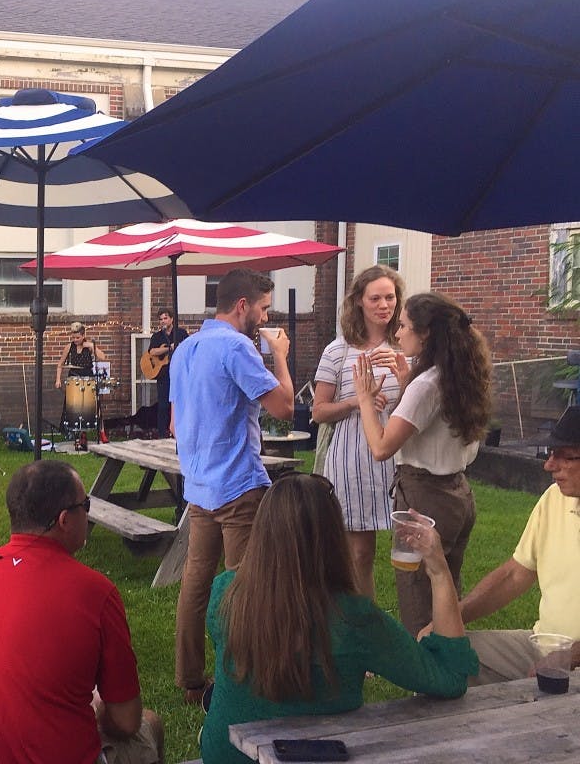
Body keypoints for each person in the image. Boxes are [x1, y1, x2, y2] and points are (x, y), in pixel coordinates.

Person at [200, 474, 477, 764]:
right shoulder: (354, 620)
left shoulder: (224, 593)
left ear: (261, 532)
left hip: (223, 755)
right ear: (333, 538)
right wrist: (439, 571)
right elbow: (450, 678)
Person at [0, 459, 164, 764]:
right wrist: (97, 709)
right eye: (85, 505)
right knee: (150, 724)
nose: (88, 513)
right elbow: (126, 721)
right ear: (64, 520)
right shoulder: (96, 592)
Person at [168, 268, 294, 704]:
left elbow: (175, 423)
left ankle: (189, 680)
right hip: (238, 484)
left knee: (196, 581)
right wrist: (279, 355)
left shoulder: (185, 348)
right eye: (263, 308)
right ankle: (241, 678)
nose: (266, 317)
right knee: (243, 586)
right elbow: (284, 407)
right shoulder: (237, 346)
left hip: (199, 485)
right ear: (243, 305)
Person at [354, 291, 492, 635]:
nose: (397, 333)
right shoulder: (459, 374)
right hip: (458, 495)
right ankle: (452, 661)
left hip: (425, 499)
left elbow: (381, 447)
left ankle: (427, 666)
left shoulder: (427, 385)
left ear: (426, 333)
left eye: (403, 326)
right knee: (445, 592)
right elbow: (436, 425)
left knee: (419, 604)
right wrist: (407, 383)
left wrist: (365, 400)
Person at [419, 407, 580, 683]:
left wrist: (571, 656)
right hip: (542, 644)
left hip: (573, 659)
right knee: (440, 651)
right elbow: (515, 574)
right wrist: (451, 617)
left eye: (564, 456)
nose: (549, 465)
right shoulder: (554, 498)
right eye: (550, 453)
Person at [312, 265, 405, 600]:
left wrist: (404, 376)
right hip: (353, 459)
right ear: (359, 302)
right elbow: (318, 411)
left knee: (409, 553)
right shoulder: (338, 350)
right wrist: (357, 401)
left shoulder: (406, 347)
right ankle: (363, 617)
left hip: (398, 456)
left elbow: (420, 404)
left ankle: (412, 618)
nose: (384, 305)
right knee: (359, 552)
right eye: (375, 298)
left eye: (390, 297)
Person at [146, 307, 188, 438]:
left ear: (172, 319)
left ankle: (179, 433)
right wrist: (169, 348)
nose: (163, 321)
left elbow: (187, 349)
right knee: (163, 405)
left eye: (165, 318)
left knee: (179, 404)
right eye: (161, 319)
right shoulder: (157, 336)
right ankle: (162, 435)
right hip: (163, 375)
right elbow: (152, 351)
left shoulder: (180, 333)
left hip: (178, 375)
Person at [55, 321, 107, 388]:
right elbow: (60, 364)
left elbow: (102, 357)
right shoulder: (69, 347)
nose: (75, 340)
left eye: (77, 338)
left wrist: (92, 346)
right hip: (73, 377)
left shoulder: (89, 346)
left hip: (88, 378)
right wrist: (58, 379)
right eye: (73, 337)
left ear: (83, 336)